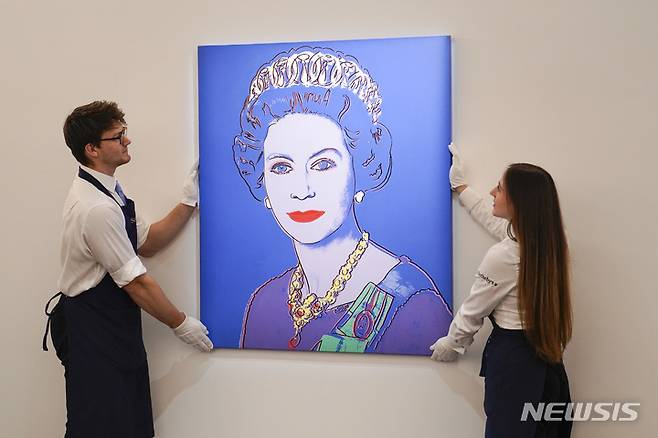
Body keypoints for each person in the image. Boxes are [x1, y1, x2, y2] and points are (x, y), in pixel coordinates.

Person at [233, 47, 452, 355]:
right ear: (262, 180)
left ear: (360, 169)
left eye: (322, 164)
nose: (302, 189)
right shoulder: (264, 302)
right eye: (281, 167)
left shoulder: (413, 303)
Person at [42, 101, 213, 438]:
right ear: (92, 149)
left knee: (129, 424)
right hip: (92, 334)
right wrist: (180, 324)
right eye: (118, 136)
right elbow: (136, 284)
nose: (127, 140)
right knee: (100, 426)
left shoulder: (111, 193)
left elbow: (148, 242)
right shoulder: (95, 208)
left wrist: (188, 202)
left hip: (114, 332)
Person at [430, 144, 573, 437]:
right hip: (547, 360)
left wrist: (451, 344)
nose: (492, 192)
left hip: (514, 362)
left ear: (519, 202)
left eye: (500, 188)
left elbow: (473, 310)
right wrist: (462, 189)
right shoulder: (549, 242)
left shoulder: (504, 256)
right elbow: (498, 225)